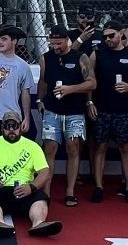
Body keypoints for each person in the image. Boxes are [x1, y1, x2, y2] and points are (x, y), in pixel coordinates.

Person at [0, 111, 63, 239]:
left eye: (15, 126)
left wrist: (32, 187)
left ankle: (38, 224)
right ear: (2, 128)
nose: (11, 130)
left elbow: (45, 172)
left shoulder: (32, 146)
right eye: (7, 126)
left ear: (20, 127)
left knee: (41, 197)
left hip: (25, 191)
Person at [38, 27, 94, 206]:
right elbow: (43, 81)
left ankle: (70, 191)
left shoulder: (80, 58)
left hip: (75, 111)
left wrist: (71, 89)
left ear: (67, 40)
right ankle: (46, 192)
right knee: (49, 149)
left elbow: (92, 83)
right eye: (52, 43)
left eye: (59, 43)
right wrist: (39, 100)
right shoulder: (45, 58)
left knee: (73, 149)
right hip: (52, 110)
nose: (55, 47)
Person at [87, 21, 128, 204]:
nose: (107, 39)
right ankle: (99, 186)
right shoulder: (97, 54)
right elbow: (89, 79)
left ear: (121, 34)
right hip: (101, 109)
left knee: (126, 147)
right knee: (100, 146)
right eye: (105, 37)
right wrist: (89, 102)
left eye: (111, 35)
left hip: (123, 110)